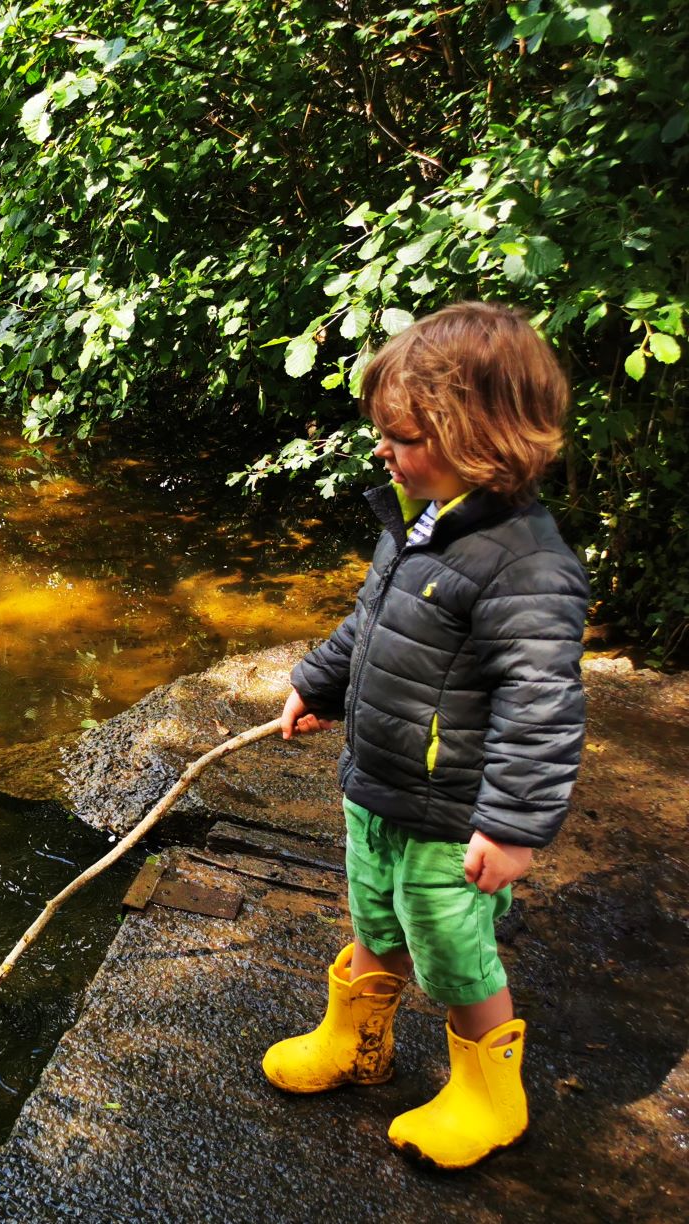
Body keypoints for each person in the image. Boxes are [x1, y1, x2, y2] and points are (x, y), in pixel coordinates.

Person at [262, 301, 588, 1170]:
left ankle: (491, 1097)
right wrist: (315, 682)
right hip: (379, 786)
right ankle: (355, 1044)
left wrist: (513, 826)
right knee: (375, 917)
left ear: (475, 439)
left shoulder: (527, 564)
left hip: (452, 814)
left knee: (455, 953)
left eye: (401, 436)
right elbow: (372, 620)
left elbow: (542, 703)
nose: (384, 451)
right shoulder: (420, 521)